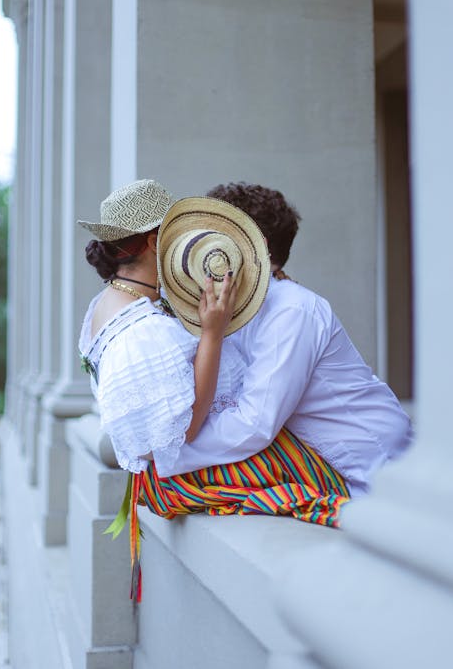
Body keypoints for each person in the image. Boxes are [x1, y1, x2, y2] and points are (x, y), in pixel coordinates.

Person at [78, 180, 350, 599]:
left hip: (161, 474)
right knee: (315, 483)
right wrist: (212, 334)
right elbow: (182, 428)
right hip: (174, 476)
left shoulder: (113, 303)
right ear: (155, 241)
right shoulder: (143, 329)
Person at [160, 182, 412, 498]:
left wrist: (165, 452)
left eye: (218, 234)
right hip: (330, 465)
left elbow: (254, 424)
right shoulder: (235, 308)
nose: (206, 247)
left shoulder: (292, 310)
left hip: (374, 466)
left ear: (256, 245)